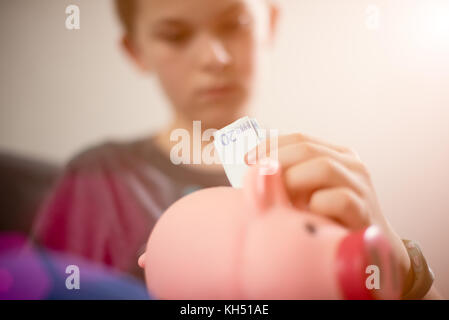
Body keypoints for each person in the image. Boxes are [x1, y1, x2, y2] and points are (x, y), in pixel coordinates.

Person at [32, 0, 440, 299]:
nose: (215, 58)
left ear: (271, 22)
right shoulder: (98, 180)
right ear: (135, 51)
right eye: (175, 35)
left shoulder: (321, 178)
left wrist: (403, 270)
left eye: (235, 24)